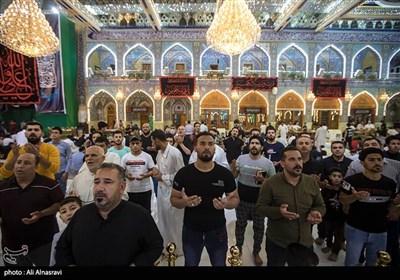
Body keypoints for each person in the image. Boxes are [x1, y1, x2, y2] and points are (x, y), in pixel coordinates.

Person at [55, 163, 163, 266]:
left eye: (107, 182)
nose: (99, 188)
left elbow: (155, 246)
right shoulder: (81, 214)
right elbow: (62, 247)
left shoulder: (139, 215)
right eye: (96, 182)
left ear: (121, 187)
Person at [170, 132, 240, 266]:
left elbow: (235, 199)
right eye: (202, 144)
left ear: (215, 148)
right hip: (191, 230)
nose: (207, 147)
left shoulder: (224, 174)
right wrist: (184, 202)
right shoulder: (184, 173)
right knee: (190, 263)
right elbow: (173, 199)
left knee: (219, 263)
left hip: (217, 230)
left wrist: (226, 204)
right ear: (195, 147)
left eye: (210, 144)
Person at [256, 146, 326, 266]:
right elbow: (260, 208)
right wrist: (279, 211)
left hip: (304, 241)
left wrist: (317, 212)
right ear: (282, 164)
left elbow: (320, 205)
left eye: (299, 159)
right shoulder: (270, 183)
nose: (298, 163)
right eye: (292, 159)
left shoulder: (311, 182)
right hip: (278, 242)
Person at [0, 153, 64, 266]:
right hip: (12, 245)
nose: (21, 166)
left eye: (27, 163)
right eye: (18, 162)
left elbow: (60, 204)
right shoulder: (3, 188)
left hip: (43, 243)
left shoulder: (50, 185)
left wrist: (41, 214)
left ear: (36, 167)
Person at [339, 148, 398, 266]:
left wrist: (396, 206)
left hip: (380, 230)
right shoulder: (350, 181)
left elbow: (392, 203)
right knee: (352, 262)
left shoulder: (390, 183)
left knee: (375, 262)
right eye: (371, 160)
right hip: (356, 228)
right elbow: (342, 198)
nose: (377, 162)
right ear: (362, 163)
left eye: (379, 160)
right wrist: (354, 197)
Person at [232, 135, 275, 266]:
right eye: (252, 143)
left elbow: (274, 183)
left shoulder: (267, 163)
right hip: (242, 200)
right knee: (240, 225)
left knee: (259, 227)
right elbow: (234, 176)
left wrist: (263, 181)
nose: (254, 145)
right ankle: (238, 248)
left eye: (257, 143)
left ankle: (256, 252)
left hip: (259, 202)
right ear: (249, 146)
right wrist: (233, 168)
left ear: (262, 147)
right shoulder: (241, 158)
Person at [151, 129, 185, 256]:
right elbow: (159, 167)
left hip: (173, 191)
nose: (153, 144)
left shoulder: (174, 153)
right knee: (163, 219)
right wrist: (155, 171)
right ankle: (166, 247)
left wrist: (164, 178)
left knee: (173, 221)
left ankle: (176, 249)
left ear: (157, 140)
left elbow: (181, 174)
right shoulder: (159, 153)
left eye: (153, 141)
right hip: (161, 190)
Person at [121, 135, 155, 211]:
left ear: (141, 144)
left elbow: (153, 170)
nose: (135, 145)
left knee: (145, 212)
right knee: (130, 212)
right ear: (129, 145)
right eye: (133, 143)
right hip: (130, 190)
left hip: (144, 189)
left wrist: (145, 175)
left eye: (137, 143)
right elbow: (121, 171)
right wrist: (127, 175)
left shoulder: (147, 156)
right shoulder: (125, 157)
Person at [320, 167, 346, 262]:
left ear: (343, 178)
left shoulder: (345, 190)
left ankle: (335, 252)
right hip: (328, 216)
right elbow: (321, 202)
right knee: (328, 232)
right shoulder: (326, 190)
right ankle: (329, 245)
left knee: (339, 235)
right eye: (334, 176)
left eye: (339, 176)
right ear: (330, 177)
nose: (336, 178)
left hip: (341, 218)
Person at [49, 196, 82, 266]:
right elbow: (53, 262)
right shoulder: (57, 237)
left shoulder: (92, 228)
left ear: (83, 210)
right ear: (61, 218)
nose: (69, 213)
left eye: (73, 208)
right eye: (64, 211)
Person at [48, 126, 72, 193]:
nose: (53, 134)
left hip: (62, 171)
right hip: (50, 171)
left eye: (56, 133)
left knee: (62, 190)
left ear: (60, 134)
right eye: (52, 133)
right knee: (50, 189)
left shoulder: (65, 145)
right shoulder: (47, 145)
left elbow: (69, 158)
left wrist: (66, 171)